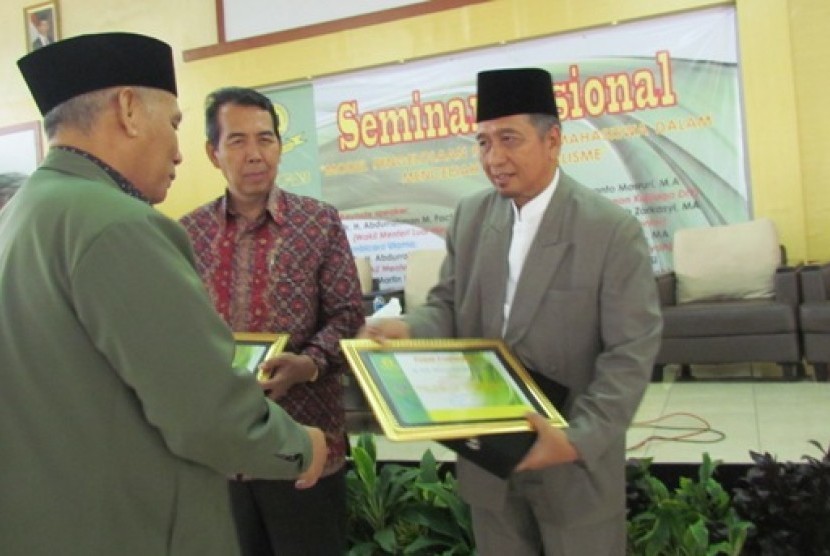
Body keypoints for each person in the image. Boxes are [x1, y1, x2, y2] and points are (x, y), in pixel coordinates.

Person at [1, 33, 326, 555]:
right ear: (129, 109)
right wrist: (298, 447)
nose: (179, 152)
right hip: (132, 528)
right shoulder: (115, 224)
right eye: (174, 123)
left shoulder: (25, 213)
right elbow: (208, 415)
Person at [362, 68, 662, 555]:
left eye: (509, 139)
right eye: (482, 142)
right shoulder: (472, 217)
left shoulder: (609, 230)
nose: (493, 159)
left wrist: (577, 439)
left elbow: (630, 353)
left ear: (553, 140)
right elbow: (448, 307)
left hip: (574, 465)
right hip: (490, 459)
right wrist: (407, 328)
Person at [179, 86, 365, 555]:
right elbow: (178, 331)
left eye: (266, 138)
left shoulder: (318, 222)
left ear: (280, 146)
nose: (255, 154)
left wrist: (310, 363)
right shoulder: (186, 233)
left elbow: (348, 315)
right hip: (220, 451)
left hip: (302, 443)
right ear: (212, 152)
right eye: (237, 140)